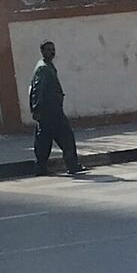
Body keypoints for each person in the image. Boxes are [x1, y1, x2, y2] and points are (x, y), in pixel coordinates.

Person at [28, 39, 83, 175]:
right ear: (42, 51)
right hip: (50, 111)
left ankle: (41, 167)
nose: (51, 52)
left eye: (52, 49)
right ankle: (72, 165)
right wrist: (36, 109)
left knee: (44, 140)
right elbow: (37, 90)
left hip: (51, 110)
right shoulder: (43, 68)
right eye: (47, 49)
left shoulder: (48, 66)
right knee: (66, 137)